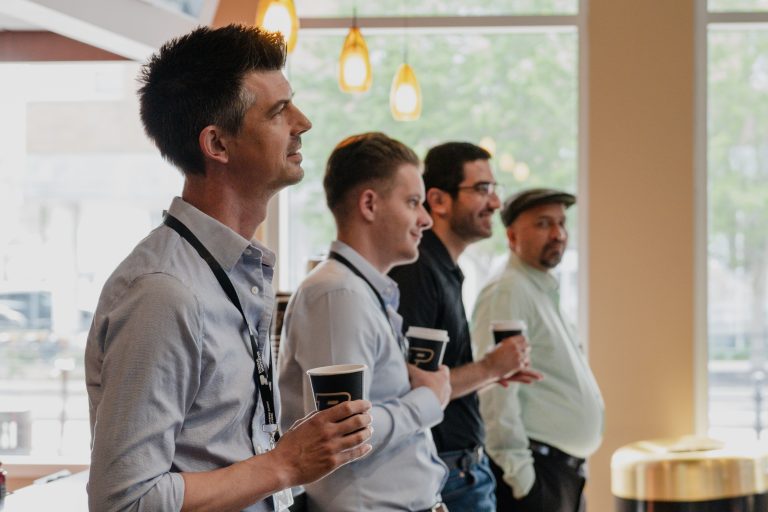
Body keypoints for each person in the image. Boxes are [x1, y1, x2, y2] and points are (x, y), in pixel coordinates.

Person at [84, 25, 372, 512]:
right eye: (279, 111)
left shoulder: (231, 270)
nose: (303, 122)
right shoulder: (164, 292)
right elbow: (124, 502)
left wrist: (287, 458)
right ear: (217, 144)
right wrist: (283, 465)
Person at [278, 132, 450, 512]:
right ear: (369, 204)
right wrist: (428, 400)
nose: (425, 219)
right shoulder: (338, 295)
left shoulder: (358, 291)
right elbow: (343, 435)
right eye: (413, 202)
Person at [389, 142, 542, 511]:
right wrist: (490, 368)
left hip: (466, 468)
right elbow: (412, 385)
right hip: (448, 475)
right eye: (482, 190)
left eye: (494, 189)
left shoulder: (446, 269)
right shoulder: (419, 270)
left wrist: (493, 372)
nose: (495, 203)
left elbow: (442, 374)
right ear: (438, 201)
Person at [471, 188, 604, 512]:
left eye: (561, 223)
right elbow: (496, 393)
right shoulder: (508, 290)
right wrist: (524, 480)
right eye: (544, 224)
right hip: (535, 477)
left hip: (561, 472)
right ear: (512, 235)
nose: (558, 234)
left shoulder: (540, 287)